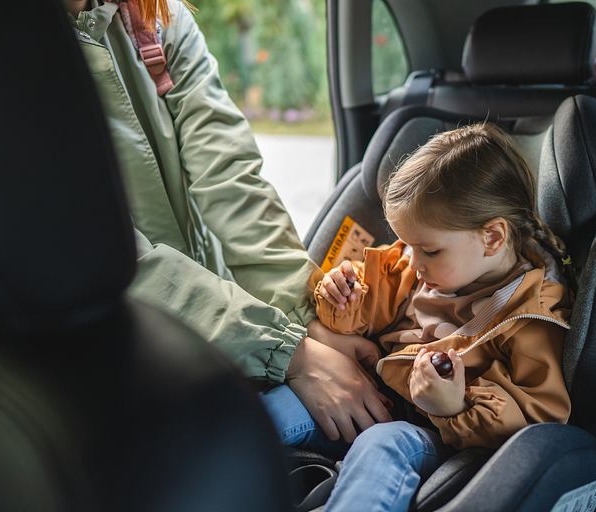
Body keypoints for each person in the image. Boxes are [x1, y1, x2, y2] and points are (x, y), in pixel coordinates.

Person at [64, 0, 390, 439]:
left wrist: (308, 321)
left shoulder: (156, 19)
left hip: (214, 345)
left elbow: (231, 179)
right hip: (92, 371)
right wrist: (289, 353)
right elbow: (101, 254)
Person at [261, 123, 573, 511]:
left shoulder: (529, 316)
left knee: (383, 445)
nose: (412, 259)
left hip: (436, 435)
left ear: (493, 237)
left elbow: (536, 418)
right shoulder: (413, 266)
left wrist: (454, 406)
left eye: (428, 250)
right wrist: (341, 297)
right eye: (407, 246)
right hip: (371, 397)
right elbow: (357, 319)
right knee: (273, 409)